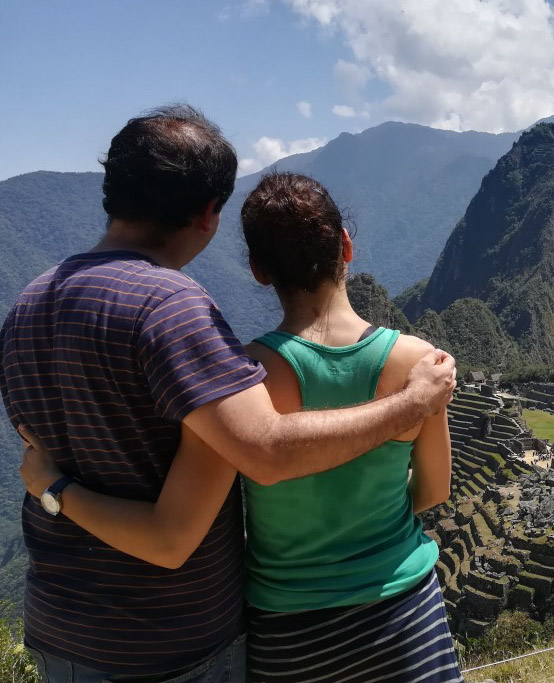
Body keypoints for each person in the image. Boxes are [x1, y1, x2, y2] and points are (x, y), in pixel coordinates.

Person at [2, 105, 456, 683]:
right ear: (206, 214)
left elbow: (47, 446)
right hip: (172, 642)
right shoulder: (169, 307)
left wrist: (52, 489)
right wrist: (414, 403)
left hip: (62, 631)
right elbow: (263, 453)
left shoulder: (26, 307)